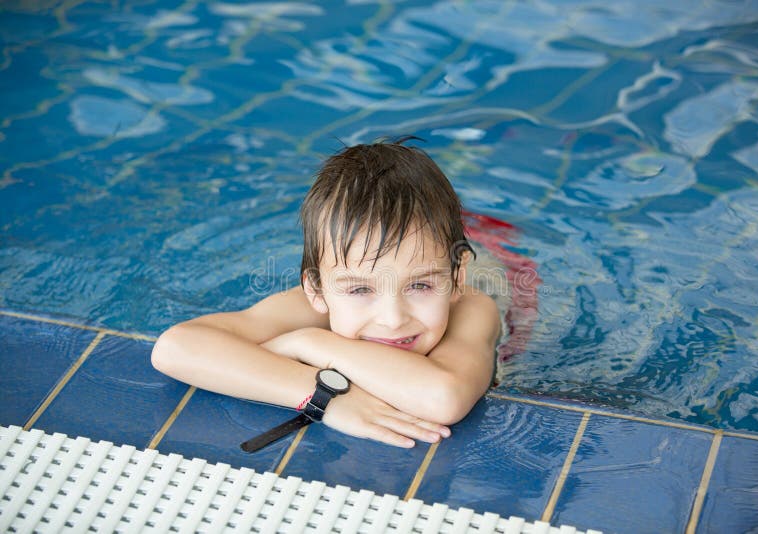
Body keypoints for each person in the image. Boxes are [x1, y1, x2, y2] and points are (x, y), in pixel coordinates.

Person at [151, 139, 501, 448]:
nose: (393, 319)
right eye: (361, 289)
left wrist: (311, 343)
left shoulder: (471, 309)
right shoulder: (315, 306)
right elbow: (176, 348)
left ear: (455, 280)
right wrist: (325, 397)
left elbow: (443, 398)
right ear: (316, 290)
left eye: (421, 285)